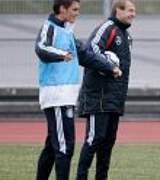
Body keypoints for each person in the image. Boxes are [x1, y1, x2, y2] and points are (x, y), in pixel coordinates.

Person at [34, 0, 122, 179]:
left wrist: (109, 67)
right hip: (57, 95)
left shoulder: (68, 33)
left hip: (66, 97)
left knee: (53, 146)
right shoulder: (49, 27)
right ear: (62, 9)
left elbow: (85, 55)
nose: (77, 13)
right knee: (65, 147)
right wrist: (61, 55)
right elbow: (41, 47)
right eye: (74, 9)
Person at [76, 0, 136, 179]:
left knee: (108, 142)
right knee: (94, 139)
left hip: (115, 98)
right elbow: (90, 51)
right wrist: (110, 67)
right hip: (99, 97)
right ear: (118, 10)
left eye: (134, 11)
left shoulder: (126, 35)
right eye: (130, 10)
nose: (133, 14)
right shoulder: (107, 28)